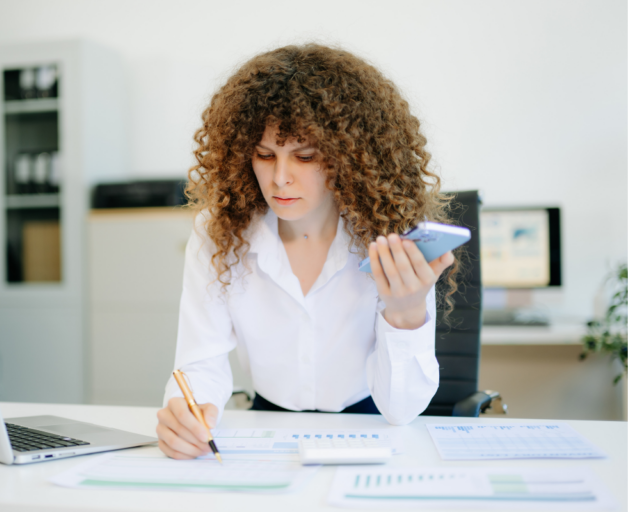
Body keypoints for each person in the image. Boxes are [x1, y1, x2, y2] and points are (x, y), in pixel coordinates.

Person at [156, 43, 459, 460]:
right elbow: (199, 361)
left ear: (348, 157)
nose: (280, 178)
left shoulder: (390, 238)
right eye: (265, 155)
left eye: (305, 157)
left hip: (371, 433)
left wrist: (406, 315)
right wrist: (187, 413)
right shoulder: (220, 233)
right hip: (266, 433)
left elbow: (402, 410)